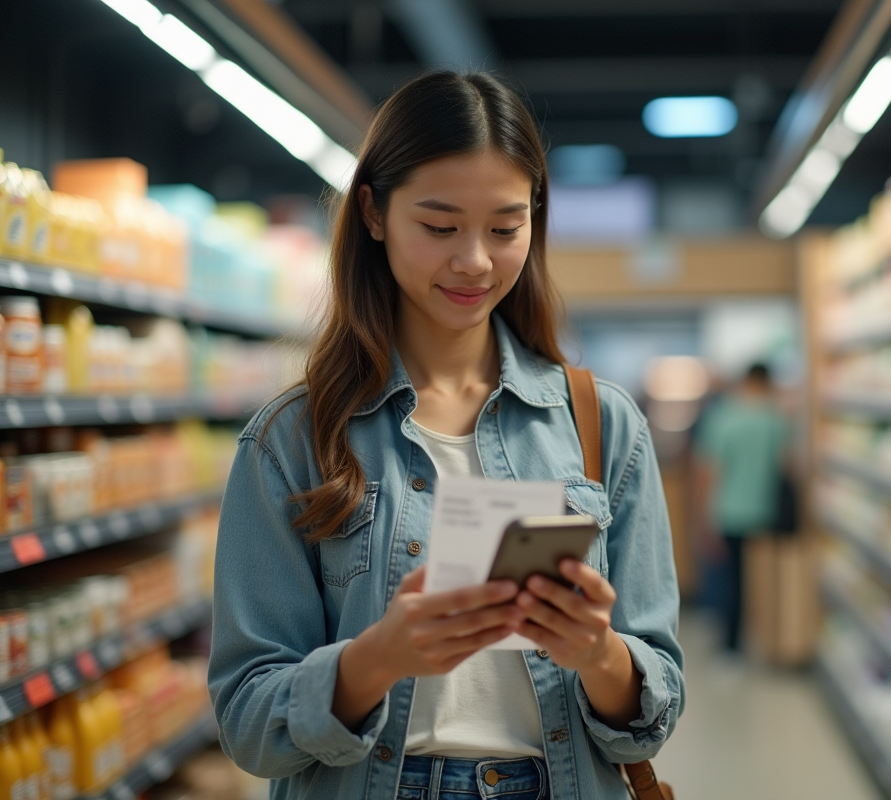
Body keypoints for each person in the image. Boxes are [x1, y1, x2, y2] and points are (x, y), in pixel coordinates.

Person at [207, 71, 683, 800]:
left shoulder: (603, 425)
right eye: (439, 226)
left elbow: (654, 707)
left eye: (504, 227)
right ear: (373, 212)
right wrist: (377, 658)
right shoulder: (291, 440)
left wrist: (600, 654)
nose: (475, 261)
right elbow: (247, 721)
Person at [695, 362, 791, 654]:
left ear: (745, 381)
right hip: (766, 513)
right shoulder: (777, 420)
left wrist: (704, 518)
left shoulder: (724, 418)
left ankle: (732, 646)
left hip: (729, 512)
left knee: (731, 581)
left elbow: (710, 472)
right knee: (763, 583)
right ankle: (765, 639)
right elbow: (787, 466)